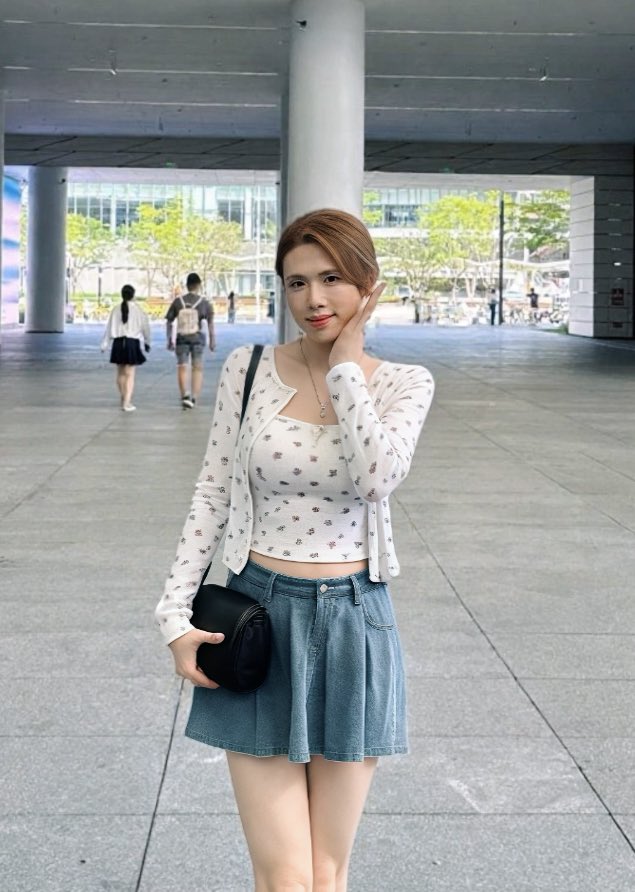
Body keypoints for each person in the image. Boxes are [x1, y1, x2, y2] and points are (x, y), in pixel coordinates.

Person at [155, 209, 435, 891]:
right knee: (284, 874)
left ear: (368, 283)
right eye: (297, 282)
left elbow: (377, 479)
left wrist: (344, 369)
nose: (313, 299)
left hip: (354, 622)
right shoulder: (249, 368)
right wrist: (173, 615)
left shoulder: (404, 383)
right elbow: (213, 491)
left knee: (327, 874)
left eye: (332, 279)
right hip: (257, 615)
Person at [165, 272, 216, 409]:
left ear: (187, 285)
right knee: (197, 367)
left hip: (181, 337)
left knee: (182, 366)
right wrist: (212, 340)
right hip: (197, 338)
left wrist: (169, 339)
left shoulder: (178, 302)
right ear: (199, 285)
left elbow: (169, 321)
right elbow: (210, 323)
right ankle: (194, 397)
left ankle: (185, 395)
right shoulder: (204, 303)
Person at [100, 284, 150, 412]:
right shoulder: (138, 310)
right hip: (132, 343)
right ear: (133, 295)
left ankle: (124, 397)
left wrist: (104, 344)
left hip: (118, 343)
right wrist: (147, 342)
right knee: (130, 374)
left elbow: (109, 328)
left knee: (121, 373)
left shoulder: (115, 309)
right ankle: (127, 402)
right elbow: (145, 327)